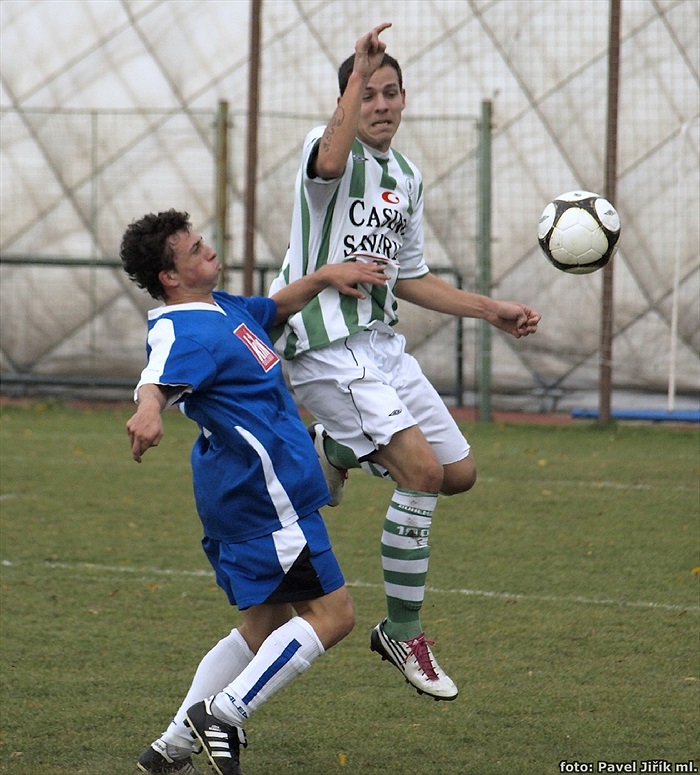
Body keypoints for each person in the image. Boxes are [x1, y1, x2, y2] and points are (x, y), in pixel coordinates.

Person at [269, 23, 541, 702]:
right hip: (326, 347)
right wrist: (355, 74)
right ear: (348, 103)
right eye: (369, 94)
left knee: (458, 474)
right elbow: (330, 163)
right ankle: (402, 629)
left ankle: (334, 446)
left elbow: (408, 277)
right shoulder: (325, 154)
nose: (382, 103)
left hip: (381, 348)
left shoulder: (407, 178)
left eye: (391, 92)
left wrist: (489, 308)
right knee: (418, 471)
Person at [120, 209, 388, 775]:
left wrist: (324, 277)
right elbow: (158, 374)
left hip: (250, 494)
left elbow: (274, 308)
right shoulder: (182, 327)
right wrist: (148, 411)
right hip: (268, 499)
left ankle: (169, 751)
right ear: (170, 276)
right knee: (334, 616)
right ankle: (224, 713)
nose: (208, 250)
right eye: (194, 250)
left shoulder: (226, 310)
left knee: (264, 624)